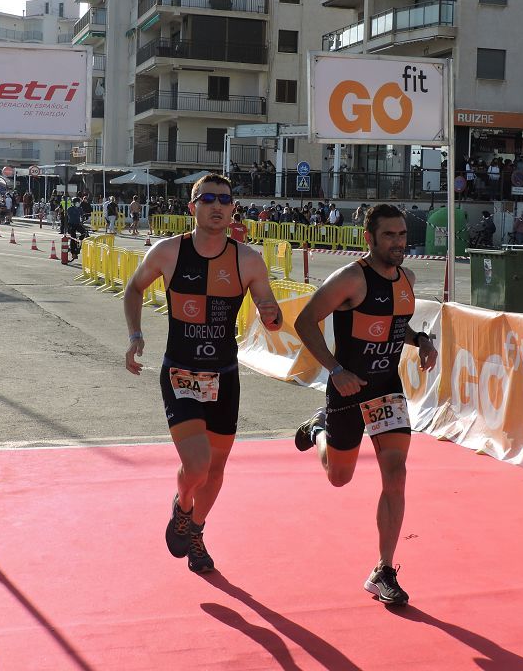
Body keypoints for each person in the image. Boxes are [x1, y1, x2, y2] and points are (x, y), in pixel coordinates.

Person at [123, 174, 282, 574]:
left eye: (224, 200)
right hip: (180, 372)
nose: (217, 206)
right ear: (191, 207)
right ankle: (183, 505)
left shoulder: (247, 259)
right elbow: (134, 288)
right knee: (197, 465)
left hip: (224, 375)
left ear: (232, 208)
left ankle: (195, 530)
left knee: (216, 470)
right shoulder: (168, 252)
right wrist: (136, 335)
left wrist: (271, 315)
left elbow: (269, 307)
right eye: (207, 199)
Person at [292, 204, 437, 605]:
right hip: (347, 389)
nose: (398, 242)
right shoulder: (350, 278)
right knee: (340, 477)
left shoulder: (407, 278)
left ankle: (383, 569)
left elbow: (395, 326)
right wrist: (335, 370)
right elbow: (305, 321)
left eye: (403, 235)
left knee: (396, 471)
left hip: (386, 389)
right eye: (389, 235)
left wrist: (421, 340)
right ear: (369, 238)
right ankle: (319, 428)